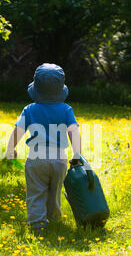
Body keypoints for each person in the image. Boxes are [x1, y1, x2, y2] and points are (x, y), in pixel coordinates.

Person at [5, 63, 81, 232]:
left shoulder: (30, 110)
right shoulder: (66, 110)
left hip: (36, 158)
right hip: (59, 158)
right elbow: (73, 131)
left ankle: (37, 225)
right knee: (55, 193)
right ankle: (54, 221)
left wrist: (11, 148)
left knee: (36, 192)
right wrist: (77, 153)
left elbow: (18, 130)